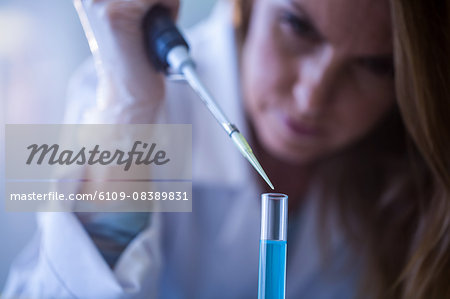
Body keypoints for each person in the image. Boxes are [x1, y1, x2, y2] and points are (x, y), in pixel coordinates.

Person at [4, 0, 450, 298]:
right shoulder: (126, 104)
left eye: (374, 65)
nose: (312, 98)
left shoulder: (408, 161)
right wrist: (129, 107)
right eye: (297, 26)